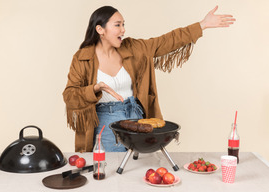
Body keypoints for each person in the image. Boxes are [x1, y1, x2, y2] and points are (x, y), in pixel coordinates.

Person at [63, 5, 235, 152]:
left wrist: (202, 25)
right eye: (117, 25)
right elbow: (69, 96)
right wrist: (95, 88)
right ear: (100, 29)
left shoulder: (134, 47)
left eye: (123, 24)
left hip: (137, 116)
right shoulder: (82, 58)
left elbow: (167, 41)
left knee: (140, 167)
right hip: (106, 119)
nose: (123, 29)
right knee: (114, 167)